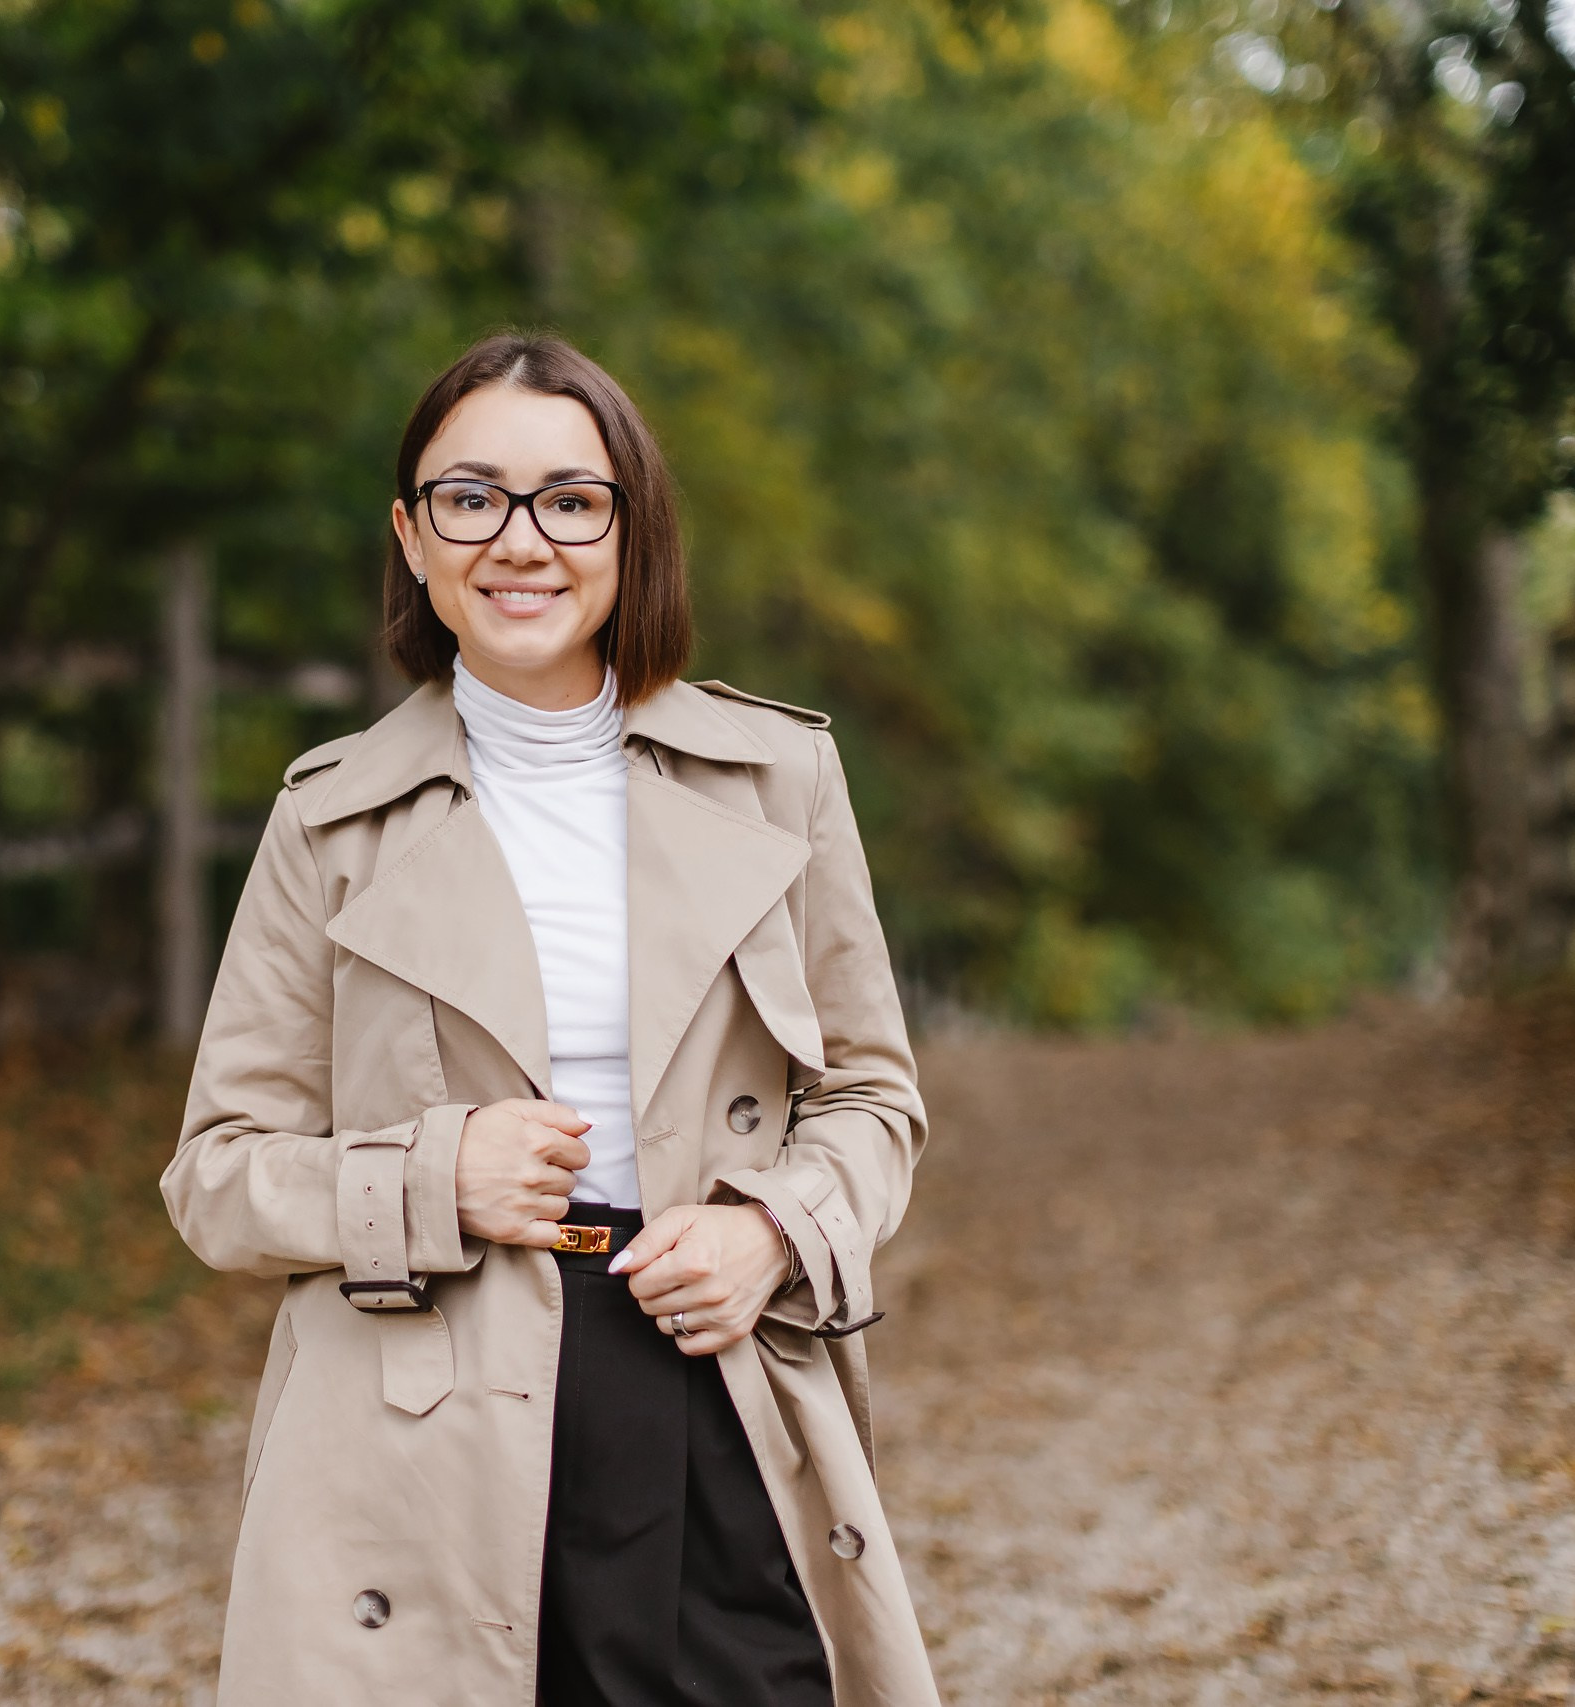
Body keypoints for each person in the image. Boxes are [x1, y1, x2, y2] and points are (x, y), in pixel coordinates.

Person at [161, 331, 939, 1706]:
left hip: (715, 1378)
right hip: (418, 1422)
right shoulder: (326, 819)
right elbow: (219, 1175)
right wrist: (429, 1179)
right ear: (412, 537)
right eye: (471, 498)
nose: (521, 540)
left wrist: (771, 1231)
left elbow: (874, 1099)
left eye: (571, 500)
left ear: (632, 531)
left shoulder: (780, 777)